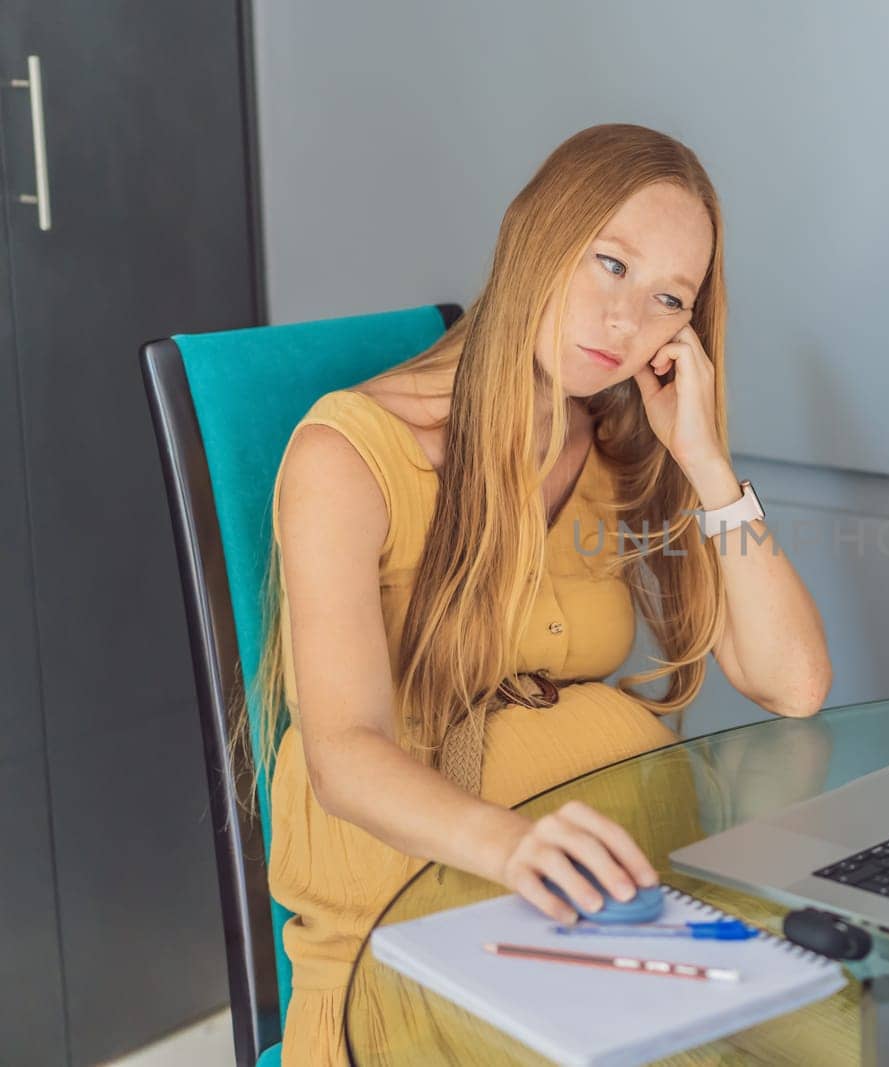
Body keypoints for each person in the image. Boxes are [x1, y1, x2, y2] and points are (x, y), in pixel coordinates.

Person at [244, 123, 834, 1063]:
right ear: (536, 232)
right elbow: (342, 756)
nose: (625, 322)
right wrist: (514, 848)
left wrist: (707, 461)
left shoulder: (613, 444)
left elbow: (792, 680)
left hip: (603, 913)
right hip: (414, 923)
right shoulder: (348, 455)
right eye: (610, 264)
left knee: (845, 1028)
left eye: (666, 299)